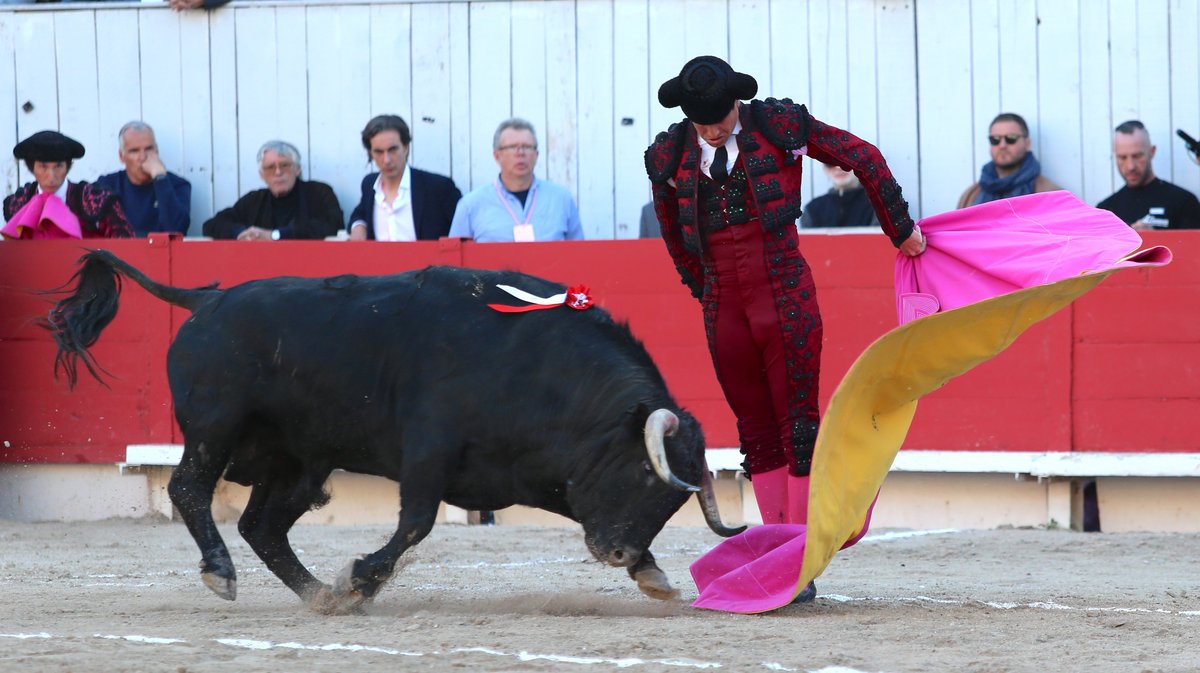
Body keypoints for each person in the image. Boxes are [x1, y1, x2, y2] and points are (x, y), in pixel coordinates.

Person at [644, 56, 924, 559]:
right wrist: (707, 294)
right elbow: (674, 238)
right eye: (701, 123)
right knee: (754, 429)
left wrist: (900, 229)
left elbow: (862, 155)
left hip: (785, 295)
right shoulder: (669, 154)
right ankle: (780, 546)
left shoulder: (777, 126)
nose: (710, 132)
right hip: (724, 309)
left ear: (737, 102)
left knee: (798, 423)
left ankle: (801, 552)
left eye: (720, 121)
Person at [449, 118, 583, 242]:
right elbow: (453, 262)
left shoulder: (561, 199)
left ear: (536, 155)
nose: (520, 153)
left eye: (527, 147)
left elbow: (579, 254)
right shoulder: (471, 205)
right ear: (497, 155)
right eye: (513, 147)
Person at [347, 114, 462, 241]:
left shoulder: (437, 187)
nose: (387, 160)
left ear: (406, 147)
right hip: (378, 261)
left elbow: (463, 230)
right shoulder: (369, 184)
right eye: (379, 152)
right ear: (370, 153)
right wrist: (359, 225)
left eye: (393, 150)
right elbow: (360, 213)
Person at [202, 140, 343, 241]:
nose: (277, 172)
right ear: (262, 175)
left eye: (284, 165)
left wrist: (276, 235)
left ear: (297, 169)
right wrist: (241, 233)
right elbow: (211, 225)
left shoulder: (319, 193)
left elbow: (333, 224)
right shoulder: (254, 201)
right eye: (270, 167)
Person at [2, 130, 132, 239]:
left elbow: (124, 245)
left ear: (67, 167)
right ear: (32, 168)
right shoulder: (18, 203)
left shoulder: (97, 200)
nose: (51, 176)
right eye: (43, 167)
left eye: (58, 166)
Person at [1097, 120, 1200, 230]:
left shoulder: (1183, 202)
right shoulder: (1105, 211)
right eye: (1122, 157)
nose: (1130, 166)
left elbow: (1192, 246)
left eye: (1137, 156)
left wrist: (1153, 239)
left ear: (1152, 152)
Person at [95, 121, 192, 238]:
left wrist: (160, 178)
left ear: (157, 151)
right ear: (122, 156)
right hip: (117, 255)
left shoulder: (178, 185)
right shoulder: (107, 185)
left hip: (162, 254)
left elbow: (177, 230)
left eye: (149, 149)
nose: (143, 157)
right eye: (134, 151)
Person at [957, 112, 1061, 209]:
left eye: (1011, 138)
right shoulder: (970, 196)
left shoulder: (1050, 194)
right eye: (995, 139)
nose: (1002, 145)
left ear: (1027, 143)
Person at [800, 162, 880, 228]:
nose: (838, 167)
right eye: (830, 162)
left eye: (845, 162)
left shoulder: (879, 205)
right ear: (824, 168)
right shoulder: (812, 209)